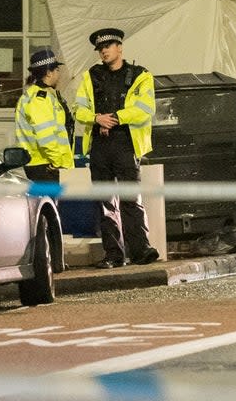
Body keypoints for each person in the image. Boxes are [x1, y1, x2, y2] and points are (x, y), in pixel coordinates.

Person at [74, 27, 159, 269]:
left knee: (130, 199)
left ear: (120, 47)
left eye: (108, 46)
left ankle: (141, 250)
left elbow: (145, 109)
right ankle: (113, 255)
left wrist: (115, 117)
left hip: (125, 142)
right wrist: (95, 118)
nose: (103, 51)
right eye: (100, 48)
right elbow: (78, 109)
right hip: (100, 145)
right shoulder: (90, 76)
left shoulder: (141, 75)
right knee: (104, 201)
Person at [13, 47, 73, 183]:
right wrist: (58, 163)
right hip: (46, 166)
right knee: (49, 203)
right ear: (48, 73)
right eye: (57, 70)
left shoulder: (44, 95)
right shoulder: (40, 98)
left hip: (45, 164)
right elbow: (45, 135)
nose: (59, 74)